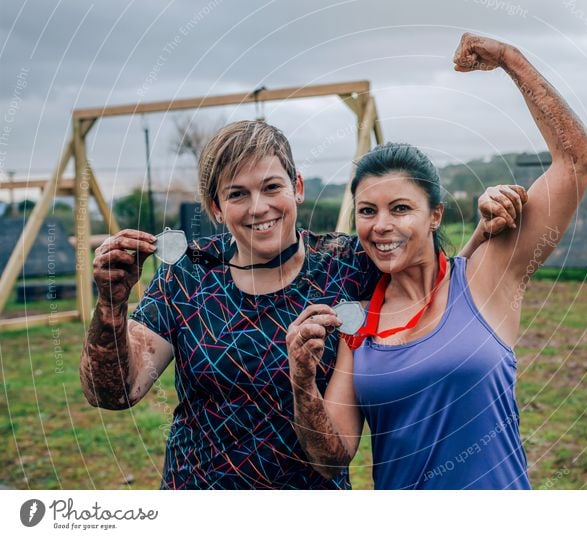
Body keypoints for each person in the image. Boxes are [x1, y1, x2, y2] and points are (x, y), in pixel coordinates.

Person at [79, 118, 525, 489]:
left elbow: (434, 279)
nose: (259, 207)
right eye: (237, 194)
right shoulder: (188, 275)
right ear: (216, 208)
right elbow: (113, 392)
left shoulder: (347, 264)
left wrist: (488, 223)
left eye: (272, 187)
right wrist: (111, 308)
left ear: (297, 188)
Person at [286, 32, 587, 489]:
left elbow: (576, 160)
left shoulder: (485, 278)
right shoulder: (358, 324)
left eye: (400, 208)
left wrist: (512, 60)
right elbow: (332, 457)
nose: (380, 226)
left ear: (434, 214)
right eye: (367, 212)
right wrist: (302, 381)